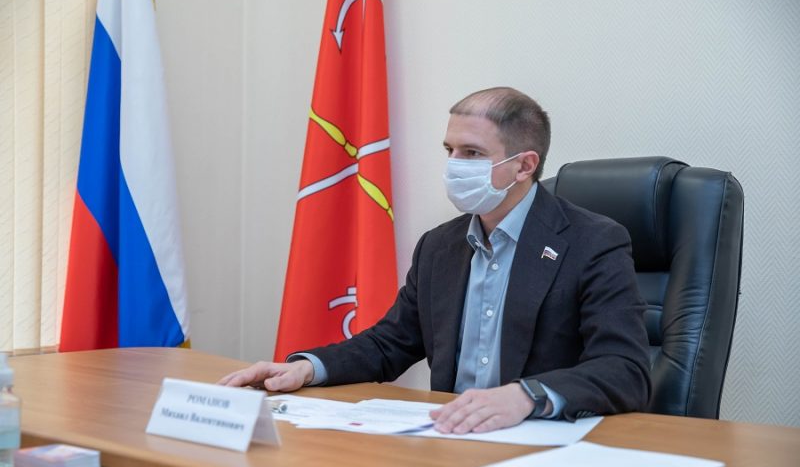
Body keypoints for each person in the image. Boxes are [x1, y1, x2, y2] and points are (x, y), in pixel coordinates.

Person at [219, 87, 651, 434]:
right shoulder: (440, 246)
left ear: (524, 166)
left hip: (542, 446)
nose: (454, 166)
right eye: (450, 150)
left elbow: (625, 370)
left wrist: (526, 395)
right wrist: (306, 369)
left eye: (472, 153)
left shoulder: (593, 242)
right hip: (449, 439)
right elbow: (389, 343)